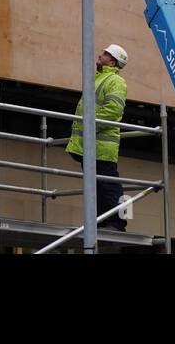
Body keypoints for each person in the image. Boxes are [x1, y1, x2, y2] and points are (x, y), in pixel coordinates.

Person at [66, 43, 130, 231]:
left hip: (100, 145)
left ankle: (118, 223)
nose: (100, 55)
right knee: (97, 187)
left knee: (108, 186)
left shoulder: (115, 82)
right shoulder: (98, 79)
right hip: (91, 144)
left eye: (104, 53)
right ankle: (102, 222)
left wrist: (89, 125)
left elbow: (113, 110)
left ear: (112, 60)